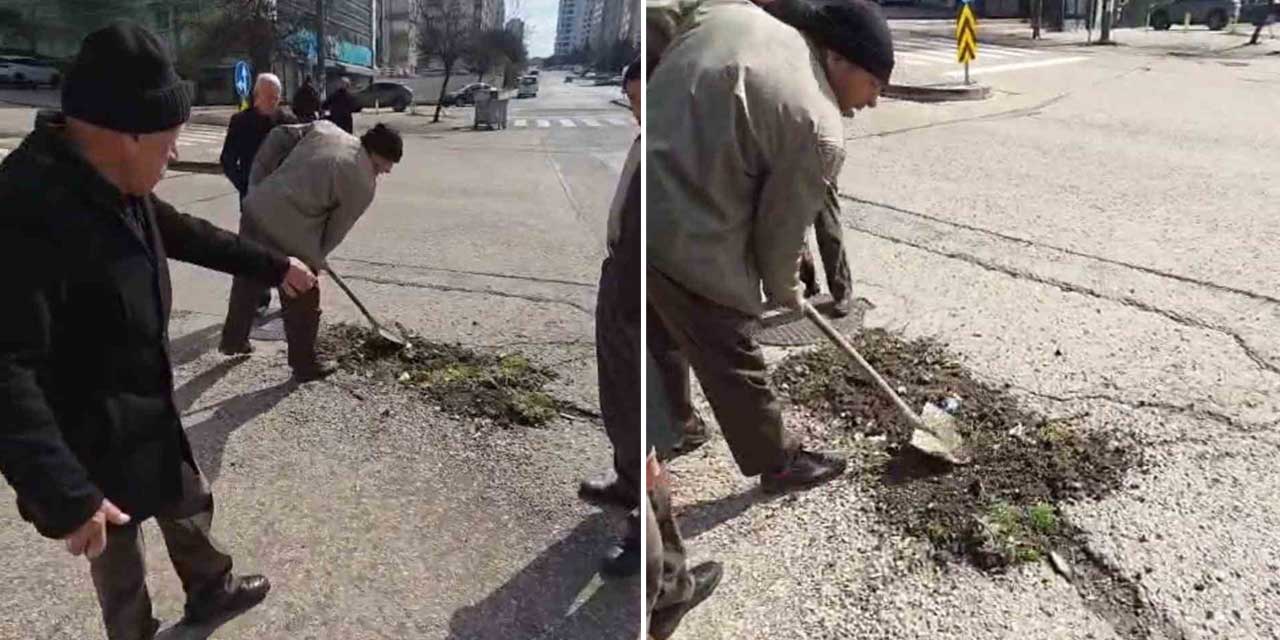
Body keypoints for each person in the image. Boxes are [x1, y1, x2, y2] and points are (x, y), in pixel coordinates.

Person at [0, 22, 318, 640]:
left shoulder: (119, 184)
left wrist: (276, 267)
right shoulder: (24, 210)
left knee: (189, 502)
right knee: (118, 562)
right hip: (90, 438)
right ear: (128, 133)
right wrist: (63, 492)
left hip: (148, 405)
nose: (175, 154)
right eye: (170, 139)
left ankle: (210, 590)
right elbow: (4, 366)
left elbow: (188, 234)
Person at [647, 0, 893, 494]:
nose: (872, 103)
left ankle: (678, 426)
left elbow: (761, 160)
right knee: (731, 347)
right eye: (874, 85)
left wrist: (791, 253)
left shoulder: (734, 16)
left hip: (642, 203)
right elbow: (776, 240)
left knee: (661, 329)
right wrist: (786, 290)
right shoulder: (821, 126)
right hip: (690, 231)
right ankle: (778, 462)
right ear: (840, 58)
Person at [219, 120, 403, 381]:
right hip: (290, 233)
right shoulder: (363, 183)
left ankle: (233, 340)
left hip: (256, 209)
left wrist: (260, 180)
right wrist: (315, 260)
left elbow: (278, 135)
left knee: (248, 276)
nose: (388, 171)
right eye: (389, 163)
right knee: (302, 294)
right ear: (378, 155)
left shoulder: (325, 128)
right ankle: (304, 365)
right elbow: (336, 229)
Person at [577, 58, 643, 577]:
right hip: (621, 276)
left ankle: (646, 537)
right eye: (631, 99)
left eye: (641, 97)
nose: (635, 109)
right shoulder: (650, 137)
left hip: (645, 291)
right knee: (617, 395)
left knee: (644, 409)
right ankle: (626, 481)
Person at [220, 72, 298, 317]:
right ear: (257, 96)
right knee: (255, 250)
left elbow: (298, 157)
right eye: (269, 97)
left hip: (282, 196)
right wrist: (245, 186)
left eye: (277, 97)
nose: (274, 102)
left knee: (283, 247)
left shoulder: (286, 120)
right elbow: (228, 160)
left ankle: (289, 295)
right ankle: (259, 299)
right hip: (252, 196)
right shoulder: (241, 122)